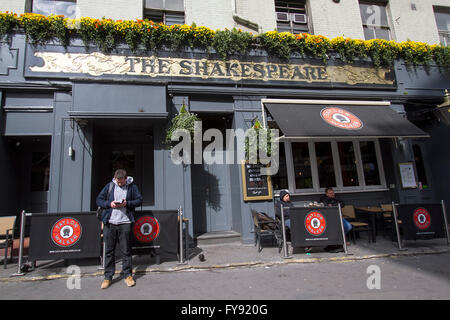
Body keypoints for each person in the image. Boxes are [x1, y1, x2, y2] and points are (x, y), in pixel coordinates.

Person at [96, 169, 143, 289]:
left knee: (126, 250)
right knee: (109, 251)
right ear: (115, 178)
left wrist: (127, 203)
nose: (120, 183)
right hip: (110, 222)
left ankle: (127, 275)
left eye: (122, 181)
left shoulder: (132, 187)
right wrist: (109, 204)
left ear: (126, 178)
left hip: (125, 222)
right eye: (118, 181)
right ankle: (108, 277)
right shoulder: (110, 186)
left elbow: (139, 200)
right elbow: (99, 200)